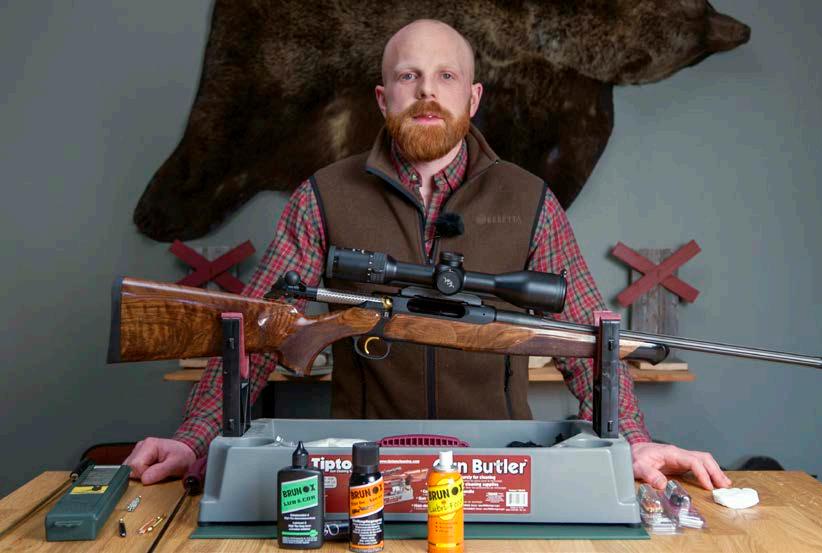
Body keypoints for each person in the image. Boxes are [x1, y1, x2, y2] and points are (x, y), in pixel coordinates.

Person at [125, 19, 731, 492]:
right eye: (409, 76)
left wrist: (634, 442)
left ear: (473, 96)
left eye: (445, 77)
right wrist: (193, 439)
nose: (427, 92)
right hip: (361, 468)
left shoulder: (530, 201)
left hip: (501, 467)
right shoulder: (323, 196)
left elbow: (586, 340)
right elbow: (256, 331)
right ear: (383, 97)